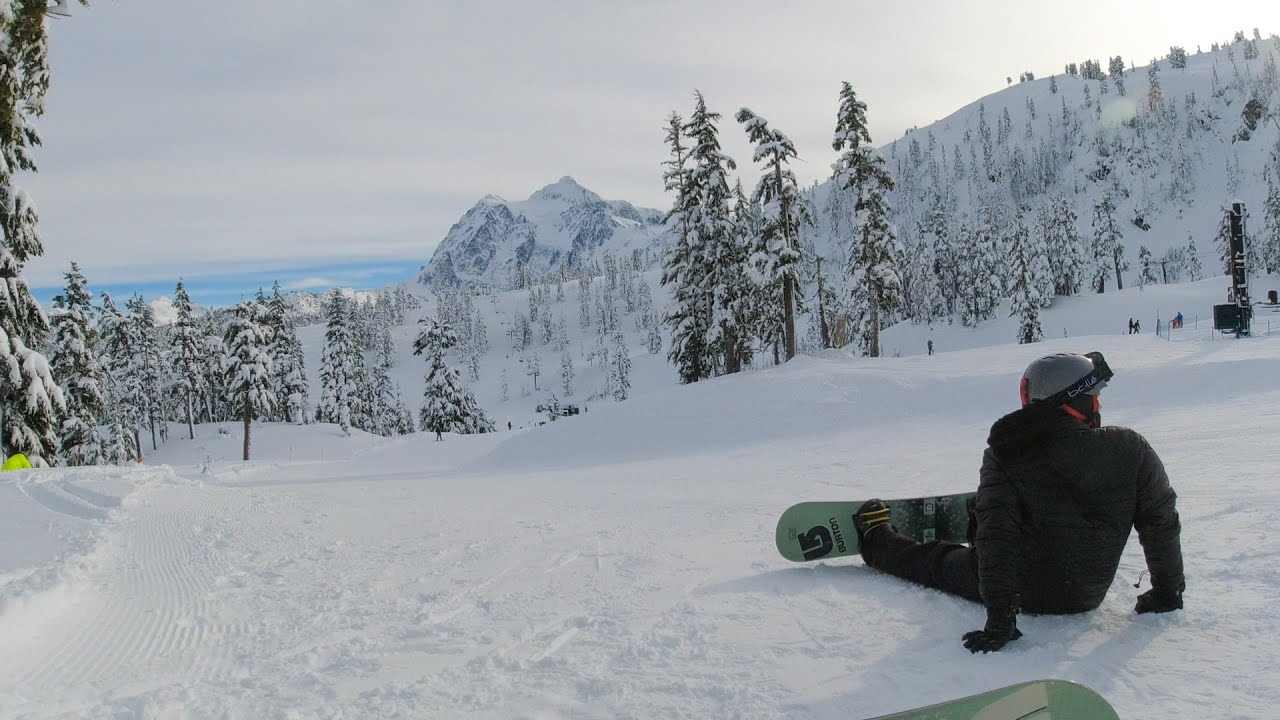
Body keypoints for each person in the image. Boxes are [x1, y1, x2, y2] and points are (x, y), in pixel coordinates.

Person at [854, 352, 1184, 653]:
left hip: (1025, 591)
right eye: (1095, 397)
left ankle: (877, 538)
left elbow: (997, 539)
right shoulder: (1132, 449)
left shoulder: (1007, 453)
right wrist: (1167, 592)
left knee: (936, 562)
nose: (1098, 404)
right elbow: (1161, 523)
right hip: (1087, 594)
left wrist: (1001, 619)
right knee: (994, 516)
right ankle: (981, 511)